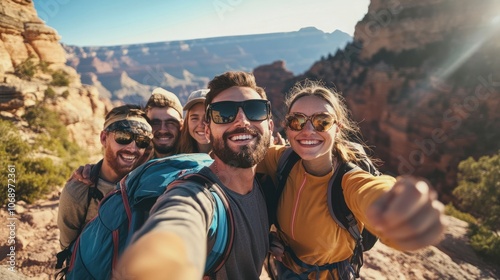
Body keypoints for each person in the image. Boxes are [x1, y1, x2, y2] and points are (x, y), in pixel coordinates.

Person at [257, 80, 445, 279]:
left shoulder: (348, 180)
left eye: (322, 121)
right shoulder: (281, 159)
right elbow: (239, 159)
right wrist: (267, 237)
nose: (308, 130)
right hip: (283, 269)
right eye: (297, 121)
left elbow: (371, 190)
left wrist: (394, 207)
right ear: (287, 128)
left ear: (337, 128)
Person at [115, 71, 274, 279]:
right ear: (207, 131)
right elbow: (180, 217)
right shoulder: (195, 193)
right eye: (224, 113)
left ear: (270, 126)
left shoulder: (265, 185)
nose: (241, 120)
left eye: (255, 110)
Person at [57, 104, 152, 250]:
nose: (132, 148)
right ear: (103, 138)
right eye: (123, 137)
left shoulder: (148, 187)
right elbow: (67, 250)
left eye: (141, 141)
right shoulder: (78, 192)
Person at [145, 87, 184, 159]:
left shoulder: (196, 161)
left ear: (181, 125)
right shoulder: (136, 164)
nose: (163, 129)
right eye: (155, 123)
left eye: (170, 123)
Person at [178, 89, 212, 154]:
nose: (201, 125)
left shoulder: (232, 155)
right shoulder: (176, 153)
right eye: (195, 118)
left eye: (207, 117)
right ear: (187, 121)